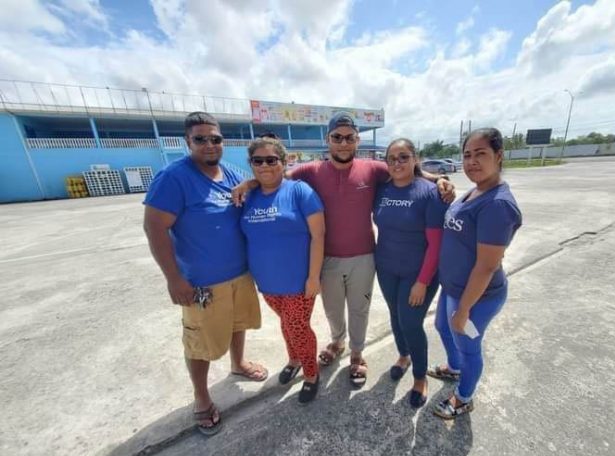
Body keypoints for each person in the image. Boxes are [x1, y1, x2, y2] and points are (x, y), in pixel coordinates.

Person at [234, 111, 455, 388]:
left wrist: (439, 180)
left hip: (364, 257)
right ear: (328, 139)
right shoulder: (312, 170)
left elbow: (409, 170)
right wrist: (249, 182)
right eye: (337, 137)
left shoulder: (373, 169)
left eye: (349, 137)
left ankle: (358, 355)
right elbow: (276, 175)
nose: (343, 143)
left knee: (359, 310)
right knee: (333, 310)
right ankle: (338, 342)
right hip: (327, 258)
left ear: (356, 140)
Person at [143, 111, 267, 436]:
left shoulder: (228, 173)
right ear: (188, 142)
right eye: (201, 139)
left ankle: (238, 365)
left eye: (215, 138)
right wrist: (174, 279)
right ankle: (201, 396)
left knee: (239, 324)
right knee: (200, 343)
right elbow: (155, 228)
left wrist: (252, 181)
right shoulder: (174, 177)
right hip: (201, 282)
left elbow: (259, 183)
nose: (209, 144)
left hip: (240, 274)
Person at [429, 128, 522, 419]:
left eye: (480, 154)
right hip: (453, 287)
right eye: (467, 155)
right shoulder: (476, 190)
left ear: (499, 155)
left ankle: (464, 397)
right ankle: (454, 369)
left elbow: (486, 266)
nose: (472, 162)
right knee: (444, 328)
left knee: (469, 346)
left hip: (477, 296)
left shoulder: (497, 204)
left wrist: (465, 308)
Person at [240, 137, 325, 404]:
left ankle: (312, 374)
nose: (265, 165)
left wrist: (313, 277)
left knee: (298, 328)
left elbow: (319, 236)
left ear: (284, 161)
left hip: (299, 282)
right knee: (286, 325)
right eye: (258, 160)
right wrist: (248, 183)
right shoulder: (248, 195)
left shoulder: (300, 191)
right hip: (267, 283)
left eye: (271, 159)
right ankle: (295, 359)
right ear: (251, 164)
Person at [373, 138, 447, 408]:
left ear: (415, 159)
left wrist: (422, 282)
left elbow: (436, 244)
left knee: (411, 323)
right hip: (386, 267)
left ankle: (419, 377)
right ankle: (403, 356)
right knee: (396, 315)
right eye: (391, 158)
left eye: (403, 157)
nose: (397, 163)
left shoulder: (429, 192)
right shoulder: (382, 190)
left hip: (419, 273)